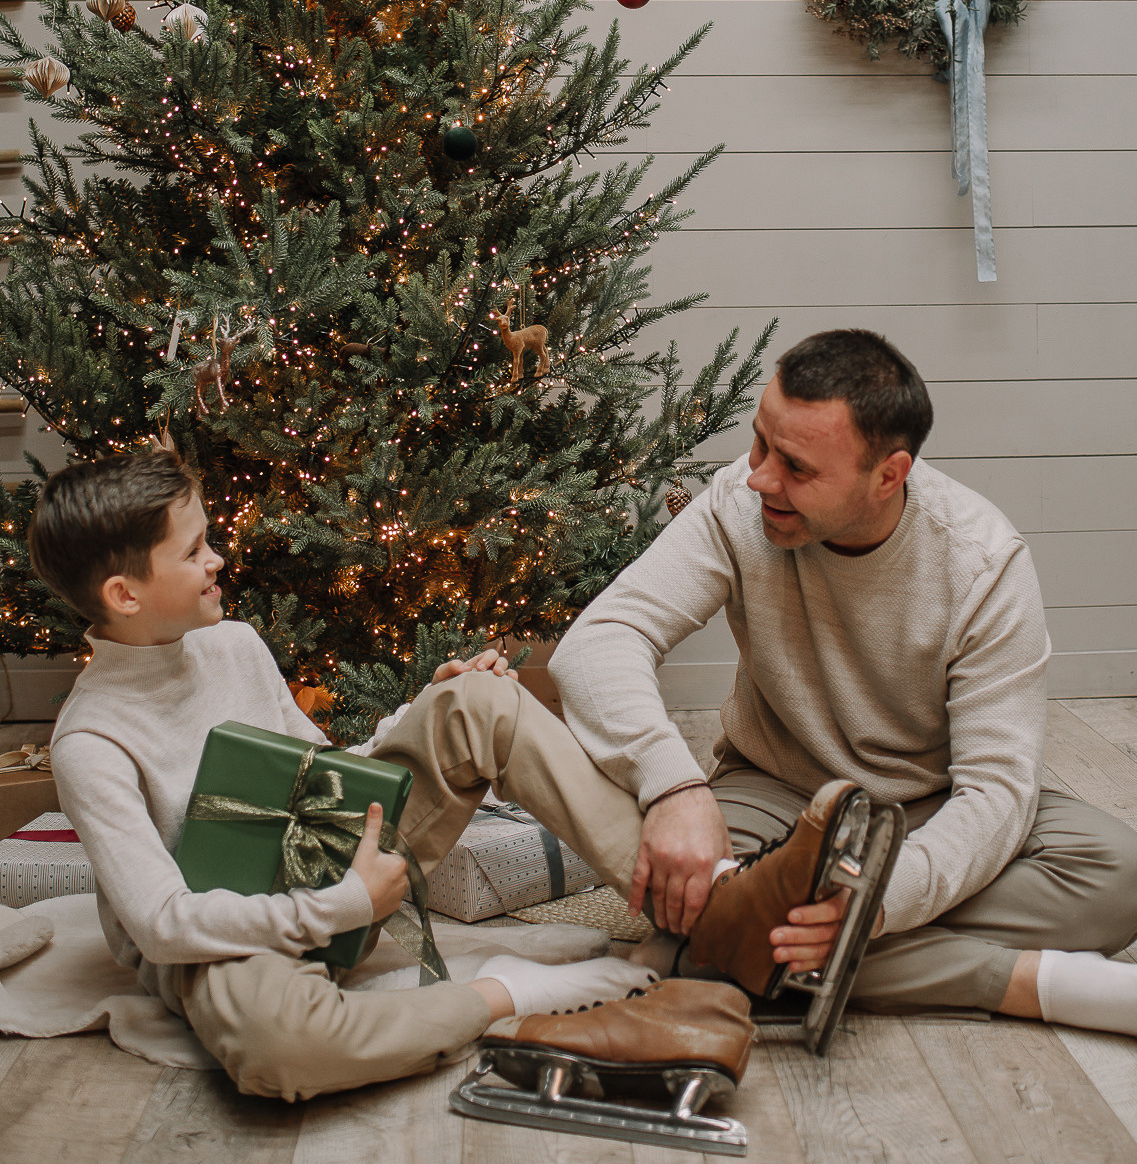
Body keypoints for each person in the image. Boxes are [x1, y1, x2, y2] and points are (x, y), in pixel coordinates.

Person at [550, 329, 1137, 1053]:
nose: (761, 478)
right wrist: (676, 790)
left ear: (888, 476)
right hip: (775, 792)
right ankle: (1030, 983)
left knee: (1120, 876)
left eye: (796, 467)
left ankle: (728, 948)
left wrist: (879, 900)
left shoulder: (982, 562)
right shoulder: (740, 502)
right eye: (760, 442)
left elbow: (996, 791)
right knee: (684, 891)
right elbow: (600, 640)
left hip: (927, 805)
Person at [34, 448, 681, 1102]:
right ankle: (507, 993)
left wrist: (422, 712)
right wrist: (344, 905)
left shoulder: (233, 645)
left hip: (335, 870)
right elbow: (163, 924)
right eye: (193, 551)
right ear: (125, 594)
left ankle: (696, 909)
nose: (217, 560)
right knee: (281, 1048)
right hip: (227, 944)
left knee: (481, 701)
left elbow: (324, 775)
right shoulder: (91, 741)